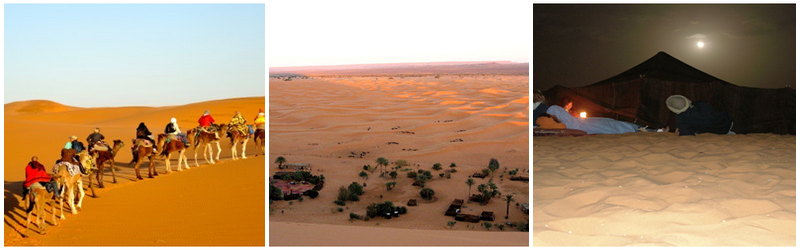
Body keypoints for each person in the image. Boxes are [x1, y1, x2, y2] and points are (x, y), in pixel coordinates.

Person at [546, 105, 642, 134]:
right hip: (585, 125)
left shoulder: (567, 120)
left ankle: (634, 127)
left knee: (607, 121)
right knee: (607, 125)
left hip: (584, 122)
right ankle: (633, 128)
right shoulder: (565, 124)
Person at [666, 95, 734, 136]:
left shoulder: (681, 119)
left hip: (720, 132)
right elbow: (711, 115)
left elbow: (687, 135)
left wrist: (681, 130)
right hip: (727, 122)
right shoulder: (700, 104)